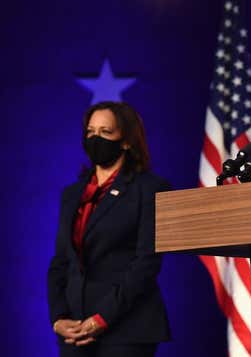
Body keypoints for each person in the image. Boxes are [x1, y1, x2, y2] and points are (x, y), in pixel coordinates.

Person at [47, 101, 170, 357]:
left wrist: (102, 318)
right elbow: (61, 261)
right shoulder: (72, 194)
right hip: (75, 331)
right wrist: (59, 317)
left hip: (126, 329)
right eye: (91, 132)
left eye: (105, 132)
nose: (96, 139)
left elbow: (146, 263)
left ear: (126, 140)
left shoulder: (149, 189)